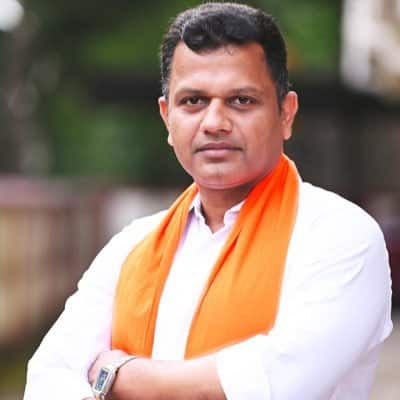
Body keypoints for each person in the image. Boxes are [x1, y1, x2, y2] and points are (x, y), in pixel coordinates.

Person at [24, 3, 392, 400]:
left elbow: (272, 386)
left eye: (241, 100)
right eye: (193, 101)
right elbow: (48, 381)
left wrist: (115, 374)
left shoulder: (338, 237)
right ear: (167, 117)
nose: (214, 122)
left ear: (286, 114)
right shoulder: (132, 245)